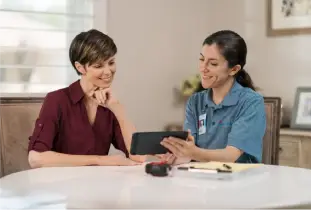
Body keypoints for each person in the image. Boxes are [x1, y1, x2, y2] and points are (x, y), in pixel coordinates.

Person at [28, 29, 145, 168]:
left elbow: (139, 157)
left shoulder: (109, 105)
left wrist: (118, 109)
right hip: (60, 186)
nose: (108, 71)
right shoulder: (57, 100)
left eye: (111, 62)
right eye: (98, 66)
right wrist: (101, 160)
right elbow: (35, 158)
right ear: (80, 67)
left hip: (98, 186)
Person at [160, 30, 266, 164]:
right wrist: (177, 156)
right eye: (202, 59)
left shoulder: (251, 102)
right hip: (202, 177)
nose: (203, 68)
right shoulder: (195, 101)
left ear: (233, 69)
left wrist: (193, 153)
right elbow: (190, 150)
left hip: (239, 179)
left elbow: (231, 155)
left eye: (213, 63)